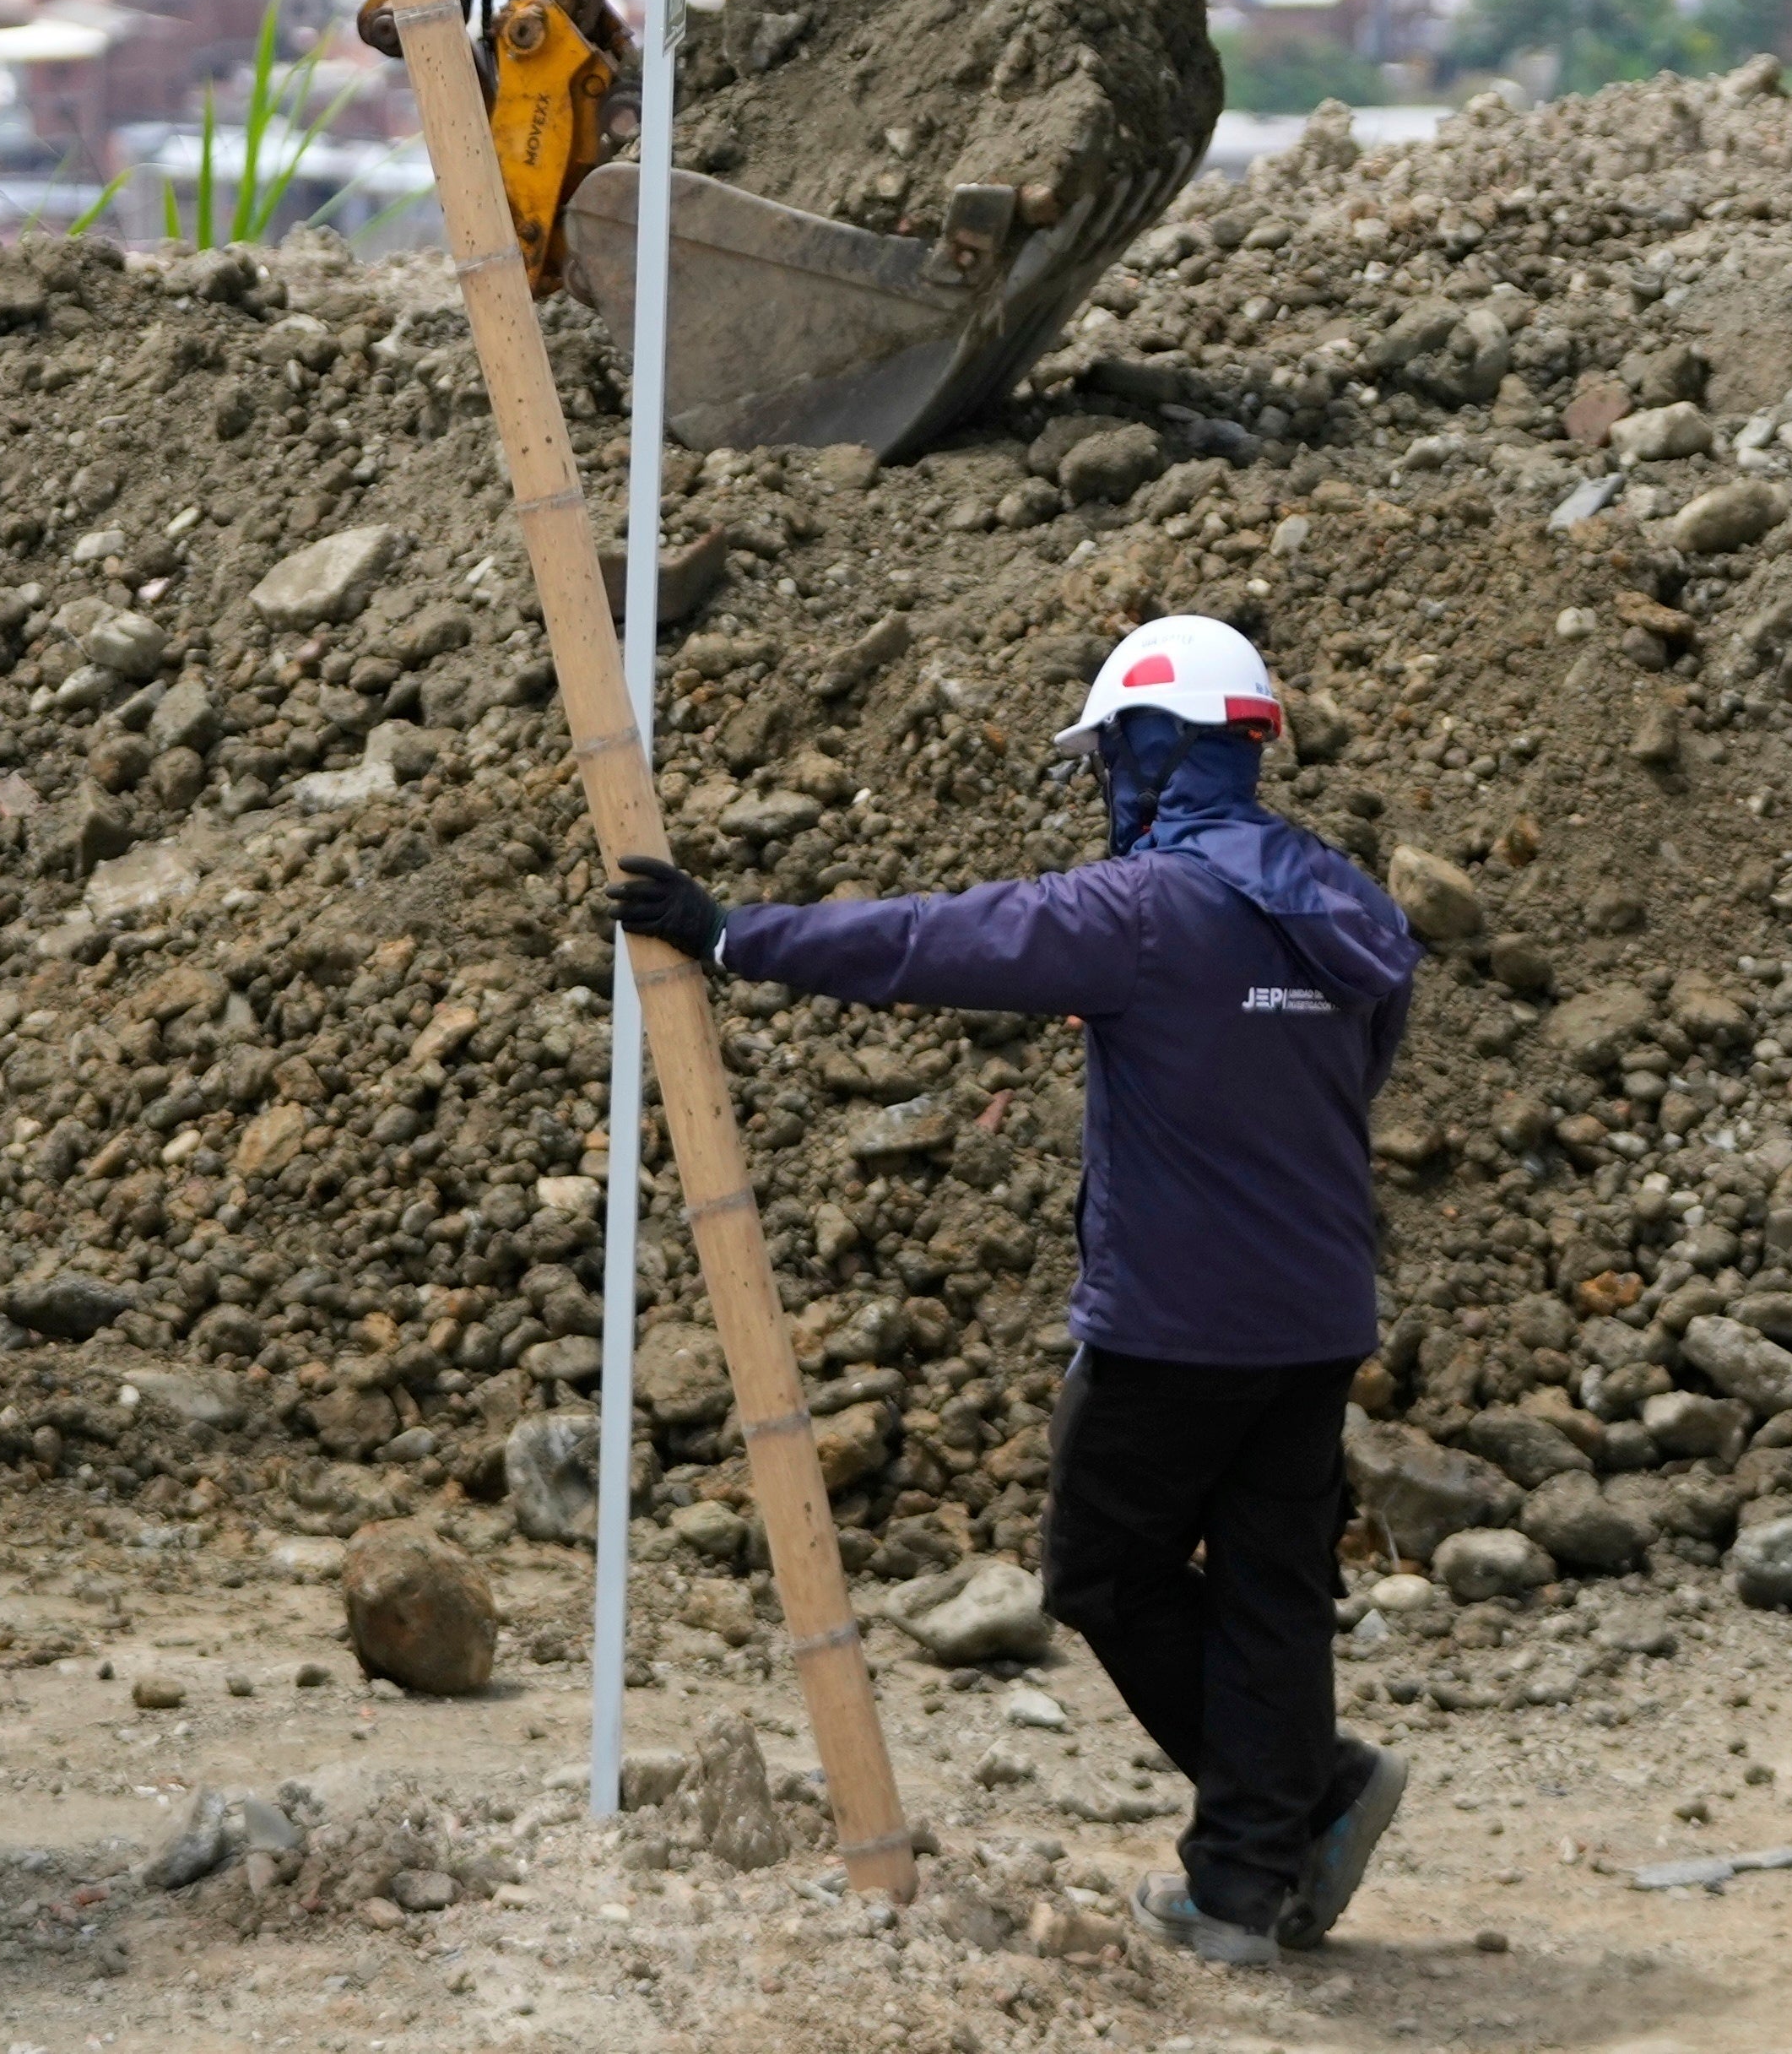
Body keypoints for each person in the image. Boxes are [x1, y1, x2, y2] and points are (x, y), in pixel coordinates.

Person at [607, 611, 1416, 1967]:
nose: (1106, 781)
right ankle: (1247, 1875)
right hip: (1321, 1314)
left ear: (1154, 748)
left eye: (1113, 754)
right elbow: (1356, 1072)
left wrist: (736, 933)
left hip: (1174, 1324)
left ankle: (1284, 1813)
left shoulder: (1144, 911)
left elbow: (940, 943)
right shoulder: (1357, 911)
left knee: (1105, 1569)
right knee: (1272, 1583)